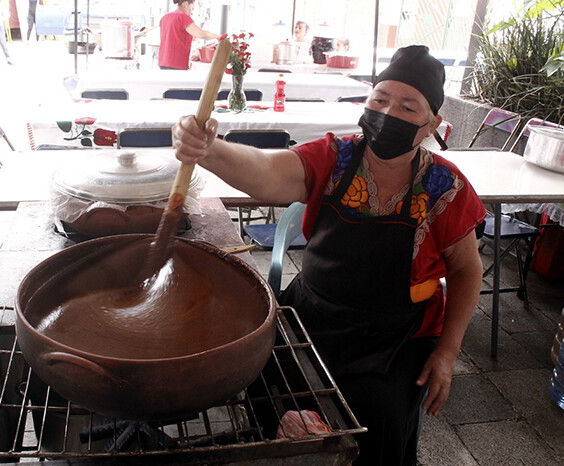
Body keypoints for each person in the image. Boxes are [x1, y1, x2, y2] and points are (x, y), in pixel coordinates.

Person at [171, 45, 486, 465]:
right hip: (312, 312)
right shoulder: (335, 158)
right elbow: (266, 171)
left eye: (408, 107)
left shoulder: (446, 188)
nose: (389, 113)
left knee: (380, 414)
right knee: (264, 381)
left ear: (433, 124)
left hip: (395, 335)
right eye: (379, 100)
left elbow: (466, 271)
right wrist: (211, 149)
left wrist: (447, 354)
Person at [158, 0, 218, 70]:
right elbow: (202, 34)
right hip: (177, 63)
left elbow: (172, 35)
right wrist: (217, 36)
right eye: (192, 8)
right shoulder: (183, 17)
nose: (191, 12)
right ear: (186, 4)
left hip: (163, 62)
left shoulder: (165, 17)